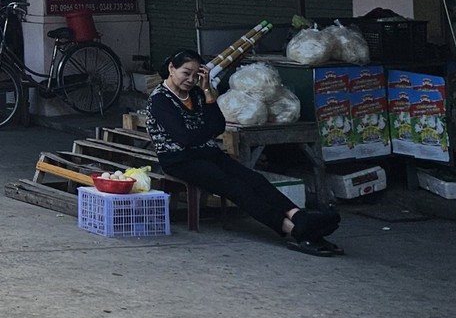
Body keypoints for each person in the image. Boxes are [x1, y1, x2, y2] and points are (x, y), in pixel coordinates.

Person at [145, 51, 343, 256]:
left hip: (207, 152)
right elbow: (185, 138)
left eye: (196, 75)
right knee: (234, 187)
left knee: (254, 179)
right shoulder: (160, 100)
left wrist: (207, 91)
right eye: (186, 73)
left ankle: (299, 217)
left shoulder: (196, 94)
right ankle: (293, 230)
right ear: (171, 69)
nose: (190, 79)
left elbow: (218, 125)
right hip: (179, 160)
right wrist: (205, 131)